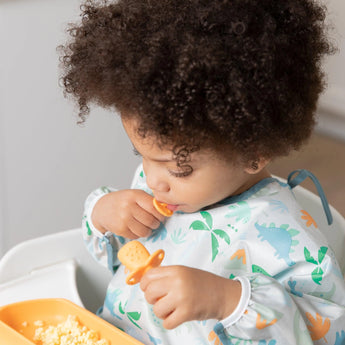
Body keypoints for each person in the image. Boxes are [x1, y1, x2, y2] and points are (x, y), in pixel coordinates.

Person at [59, 0, 345, 344]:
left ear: (253, 152)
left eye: (179, 168)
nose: (152, 180)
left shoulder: (289, 236)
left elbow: (327, 331)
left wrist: (227, 300)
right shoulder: (161, 188)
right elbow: (117, 251)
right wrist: (103, 215)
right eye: (143, 156)